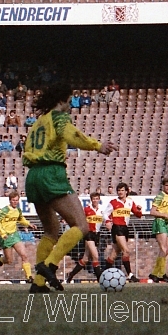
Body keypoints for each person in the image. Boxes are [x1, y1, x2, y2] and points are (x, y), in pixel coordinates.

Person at [22, 82, 116, 293]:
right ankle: (49, 266)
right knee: (81, 226)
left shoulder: (38, 123)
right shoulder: (58, 117)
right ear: (63, 100)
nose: (71, 104)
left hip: (33, 175)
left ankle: (38, 284)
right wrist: (97, 146)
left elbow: (28, 149)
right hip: (51, 173)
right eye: (70, 100)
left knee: (51, 230)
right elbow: (72, 135)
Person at [0, 191, 37, 281]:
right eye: (13, 200)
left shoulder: (18, 210)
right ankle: (0, 259)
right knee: (9, 261)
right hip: (5, 237)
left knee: (24, 255)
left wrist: (29, 224)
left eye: (17, 200)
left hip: (15, 235)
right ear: (10, 200)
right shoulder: (5, 210)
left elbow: (21, 219)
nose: (15, 202)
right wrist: (2, 233)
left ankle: (29, 277)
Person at [104, 183, 143, 282]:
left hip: (125, 228)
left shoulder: (130, 202)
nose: (120, 192)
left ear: (126, 191)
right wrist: (108, 221)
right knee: (126, 251)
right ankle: (130, 275)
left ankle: (103, 274)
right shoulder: (113, 202)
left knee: (114, 254)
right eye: (119, 190)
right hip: (117, 228)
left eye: (122, 190)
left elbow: (138, 214)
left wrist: (139, 210)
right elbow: (105, 213)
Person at [65, 192, 107, 283]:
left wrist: (108, 223)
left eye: (97, 199)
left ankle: (70, 275)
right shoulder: (87, 209)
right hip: (88, 234)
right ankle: (101, 280)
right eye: (93, 199)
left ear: (99, 200)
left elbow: (106, 220)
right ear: (91, 200)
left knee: (85, 259)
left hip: (97, 235)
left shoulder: (102, 210)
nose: (95, 200)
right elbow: (79, 219)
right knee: (96, 256)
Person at [148, 178, 168, 283]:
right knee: (163, 249)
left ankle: (155, 274)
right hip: (160, 222)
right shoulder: (160, 196)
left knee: (166, 250)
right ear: (163, 186)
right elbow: (152, 211)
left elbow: (166, 209)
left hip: (166, 223)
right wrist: (165, 215)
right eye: (166, 185)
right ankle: (162, 274)